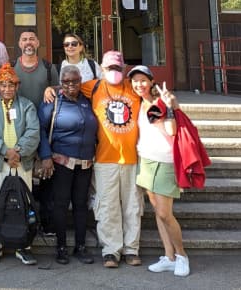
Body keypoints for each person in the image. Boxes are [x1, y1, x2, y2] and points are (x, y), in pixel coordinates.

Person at [44, 50, 143, 268]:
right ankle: (111, 251)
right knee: (107, 207)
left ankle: (131, 249)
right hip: (104, 159)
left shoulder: (134, 88)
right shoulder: (95, 86)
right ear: (102, 69)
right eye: (109, 68)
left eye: (118, 68)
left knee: (132, 206)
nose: (114, 72)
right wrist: (51, 89)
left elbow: (151, 96)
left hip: (131, 159)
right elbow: (69, 85)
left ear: (124, 68)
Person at [128, 65, 189, 276]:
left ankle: (182, 256)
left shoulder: (158, 103)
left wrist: (170, 105)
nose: (139, 84)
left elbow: (172, 130)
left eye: (143, 80)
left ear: (151, 81)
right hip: (146, 160)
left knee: (165, 213)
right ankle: (169, 256)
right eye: (135, 81)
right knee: (157, 212)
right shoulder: (138, 103)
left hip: (165, 162)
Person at [37, 66, 97, 265]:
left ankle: (80, 246)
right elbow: (41, 130)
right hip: (61, 163)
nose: (71, 85)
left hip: (85, 163)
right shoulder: (52, 102)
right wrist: (45, 156)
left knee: (81, 205)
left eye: (75, 81)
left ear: (81, 81)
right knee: (60, 205)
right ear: (60, 82)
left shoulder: (88, 100)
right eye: (66, 82)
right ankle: (61, 247)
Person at [0, 63, 40, 265]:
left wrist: (18, 152)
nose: (7, 89)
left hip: (22, 162)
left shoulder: (27, 105)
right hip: (0, 162)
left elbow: (33, 132)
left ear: (17, 86)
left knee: (24, 202)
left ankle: (23, 246)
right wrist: (5, 152)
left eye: (11, 85)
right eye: (3, 85)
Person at [12, 29, 60, 236]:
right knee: (23, 179)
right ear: (19, 44)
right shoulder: (12, 68)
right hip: (19, 131)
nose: (28, 42)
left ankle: (47, 223)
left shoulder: (49, 68)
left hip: (46, 130)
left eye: (32, 38)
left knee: (47, 179)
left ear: (38, 42)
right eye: (24, 39)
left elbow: (60, 90)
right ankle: (25, 222)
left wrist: (53, 89)